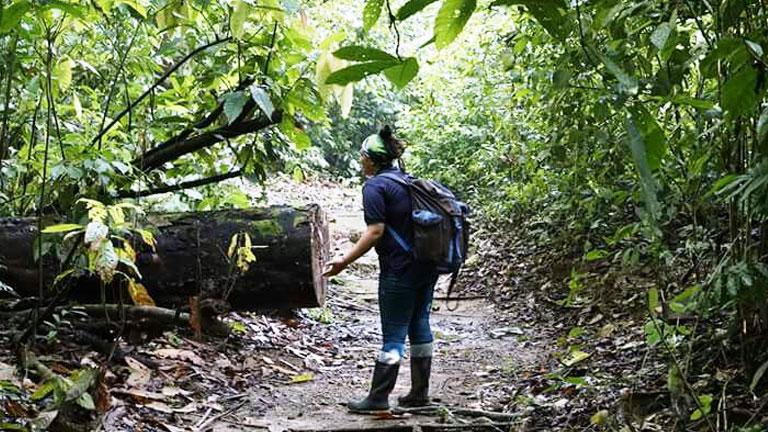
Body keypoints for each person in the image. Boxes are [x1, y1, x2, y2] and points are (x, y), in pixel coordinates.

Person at [323, 126, 438, 414]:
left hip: (398, 270)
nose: (361, 161)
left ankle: (378, 397)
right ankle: (419, 394)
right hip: (426, 265)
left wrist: (343, 261)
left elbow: (375, 231)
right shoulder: (407, 181)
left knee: (394, 333)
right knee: (419, 323)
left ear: (371, 160)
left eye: (362, 156)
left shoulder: (375, 186)